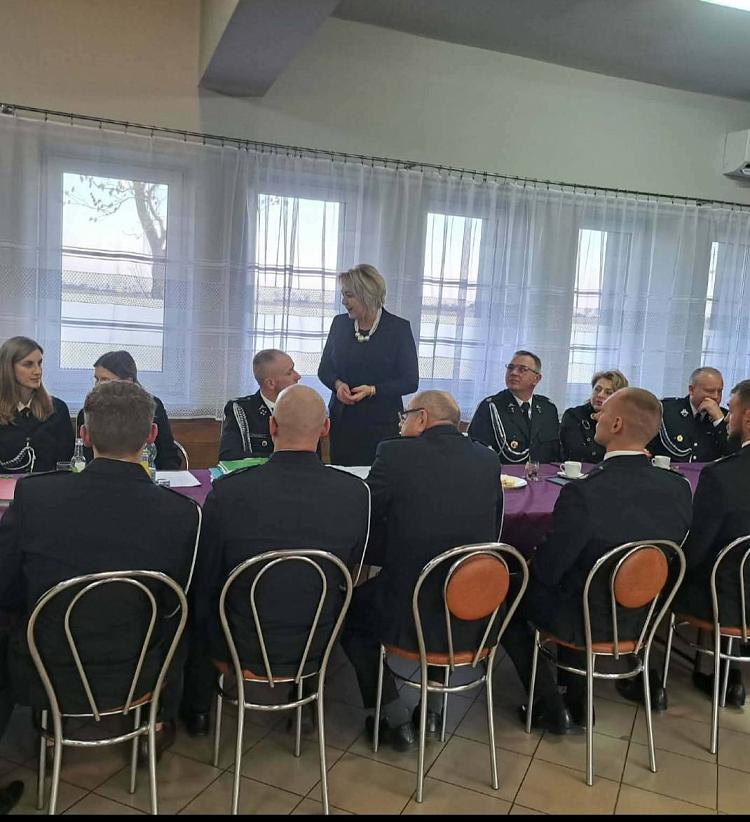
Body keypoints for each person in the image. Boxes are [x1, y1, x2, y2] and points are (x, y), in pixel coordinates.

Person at [0, 380, 201, 759]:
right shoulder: (183, 513)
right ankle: (156, 722)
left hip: (44, 666)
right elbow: (176, 604)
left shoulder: (36, 496)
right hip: (142, 669)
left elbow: (6, 584)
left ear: (85, 435)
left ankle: (49, 728)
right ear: (152, 435)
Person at [500, 388, 692, 733]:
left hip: (584, 616)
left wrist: (527, 566)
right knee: (577, 580)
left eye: (603, 413)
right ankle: (577, 694)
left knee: (508, 591)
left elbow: (548, 571)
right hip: (645, 614)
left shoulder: (583, 492)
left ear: (616, 424)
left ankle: (548, 703)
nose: (596, 416)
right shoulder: (678, 488)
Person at [182, 384, 370, 732]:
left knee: (200, 596)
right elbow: (352, 572)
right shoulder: (355, 494)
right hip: (320, 640)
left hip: (239, 639)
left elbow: (208, 575)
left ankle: (196, 708)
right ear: (326, 429)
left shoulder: (229, 493)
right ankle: (305, 699)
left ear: (272, 427)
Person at [341, 390, 503, 752]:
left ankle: (391, 715)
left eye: (405, 417)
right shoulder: (487, 458)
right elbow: (493, 529)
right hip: (470, 605)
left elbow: (367, 513)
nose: (401, 425)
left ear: (423, 418)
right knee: (445, 595)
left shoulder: (394, 453)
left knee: (348, 614)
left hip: (408, 604)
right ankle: (432, 710)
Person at [675, 379, 750, 708]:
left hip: (725, 598)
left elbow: (696, 550)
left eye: (730, 410)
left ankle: (645, 674)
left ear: (747, 418)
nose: (727, 418)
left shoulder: (722, 475)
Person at [318, 264, 419, 466]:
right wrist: (337, 385)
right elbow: (324, 369)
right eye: (343, 295)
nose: (343, 301)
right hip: (343, 422)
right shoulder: (339, 324)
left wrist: (373, 390)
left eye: (349, 295)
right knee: (343, 477)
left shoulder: (398, 329)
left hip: (382, 425)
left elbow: (410, 381)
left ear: (367, 295)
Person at [74, 350, 181, 470]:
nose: (98, 385)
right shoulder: (90, 411)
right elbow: (86, 459)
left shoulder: (151, 407)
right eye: (96, 379)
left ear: (128, 382)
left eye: (105, 380)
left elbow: (168, 455)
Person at [468, 350, 561, 464]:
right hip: (504, 474)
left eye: (522, 369)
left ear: (536, 379)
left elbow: (555, 455)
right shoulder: (491, 407)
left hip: (543, 474)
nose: (513, 373)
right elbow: (477, 453)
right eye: (510, 368)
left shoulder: (548, 409)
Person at [0, 336, 74, 473]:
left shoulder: (58, 409)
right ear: (8, 368)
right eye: (28, 365)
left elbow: (65, 463)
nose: (38, 371)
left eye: (39, 363)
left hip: (47, 485)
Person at [218, 349, 300, 460]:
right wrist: (280, 461)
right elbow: (229, 457)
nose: (298, 376)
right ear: (270, 383)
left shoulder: (303, 408)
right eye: (290, 373)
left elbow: (313, 459)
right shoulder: (241, 410)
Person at [648, 367, 733, 463]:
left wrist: (719, 421)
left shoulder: (726, 417)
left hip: (708, 472)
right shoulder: (665, 411)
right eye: (710, 391)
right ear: (691, 390)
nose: (716, 396)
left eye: (720, 391)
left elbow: (733, 456)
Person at [560, 369, 629, 463]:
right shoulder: (573, 415)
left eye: (608, 392)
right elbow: (576, 454)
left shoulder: (625, 420)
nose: (600, 395)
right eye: (597, 389)